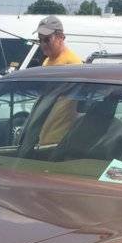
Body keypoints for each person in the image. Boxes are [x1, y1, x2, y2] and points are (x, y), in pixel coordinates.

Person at [35, 16, 82, 147]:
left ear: (61, 37)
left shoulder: (72, 64)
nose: (43, 44)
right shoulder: (47, 61)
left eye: (47, 40)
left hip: (59, 138)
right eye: (40, 40)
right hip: (44, 134)